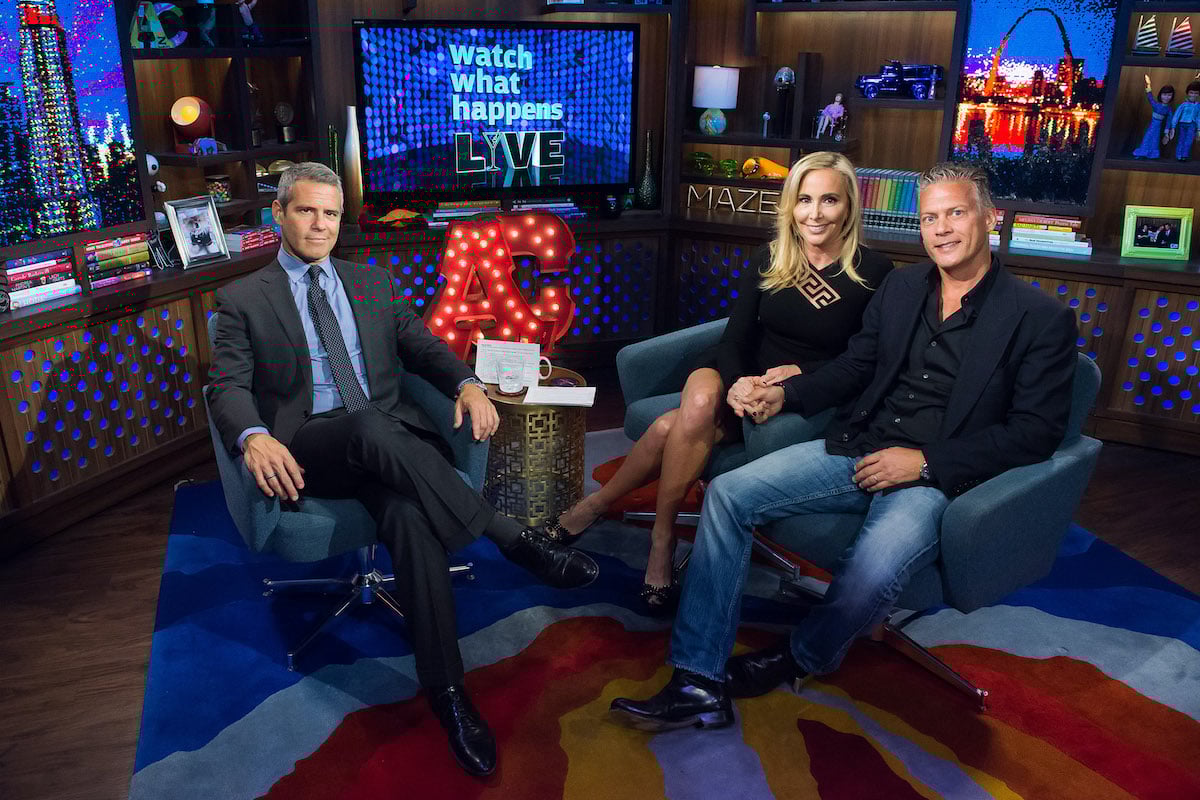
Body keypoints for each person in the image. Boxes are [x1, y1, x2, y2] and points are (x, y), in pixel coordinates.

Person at [609, 162, 1078, 731]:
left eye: (956, 213)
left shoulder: (1040, 318)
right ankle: (697, 680)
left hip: (933, 476)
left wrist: (925, 462)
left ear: (989, 218)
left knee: (872, 570)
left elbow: (1036, 432)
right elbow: (856, 366)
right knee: (728, 495)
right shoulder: (903, 287)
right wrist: (787, 394)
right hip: (861, 444)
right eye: (930, 218)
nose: (942, 229)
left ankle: (800, 655)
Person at [207, 162, 598, 777]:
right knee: (365, 427)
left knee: (410, 517)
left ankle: (448, 694)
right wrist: (253, 435)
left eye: (330, 213)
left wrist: (466, 383)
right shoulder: (243, 298)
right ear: (279, 214)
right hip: (312, 446)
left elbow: (422, 347)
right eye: (306, 210)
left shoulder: (371, 282)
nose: (320, 225)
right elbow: (226, 386)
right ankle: (512, 538)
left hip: (389, 440)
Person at [548, 152, 892, 613]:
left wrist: (799, 375)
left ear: (849, 206)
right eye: (804, 200)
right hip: (735, 373)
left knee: (671, 426)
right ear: (790, 206)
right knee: (700, 398)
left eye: (829, 200)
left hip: (791, 391)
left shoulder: (874, 272)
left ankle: (603, 510)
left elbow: (862, 359)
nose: (815, 213)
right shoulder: (771, 258)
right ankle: (662, 541)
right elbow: (734, 339)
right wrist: (736, 384)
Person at [1132, 75, 1174, 159]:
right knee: (1147, 138)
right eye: (1164, 94)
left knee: (1155, 141)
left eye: (1169, 95)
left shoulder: (1169, 109)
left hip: (1158, 128)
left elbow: (1169, 120)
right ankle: (1142, 153)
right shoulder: (1156, 105)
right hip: (1151, 126)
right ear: (1161, 95)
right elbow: (1150, 97)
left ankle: (1152, 154)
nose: (1166, 97)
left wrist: (1166, 133)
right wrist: (1148, 85)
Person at [1167, 80, 1200, 161]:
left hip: (1192, 125)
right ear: (1188, 93)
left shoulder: (1198, 106)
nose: (1193, 95)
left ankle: (1184, 155)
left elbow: (1198, 117)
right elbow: (1176, 115)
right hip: (1182, 124)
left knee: (1189, 141)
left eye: (1196, 93)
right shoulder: (1184, 105)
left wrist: (1199, 129)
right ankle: (1179, 155)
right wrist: (1173, 126)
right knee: (1181, 139)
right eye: (1191, 93)